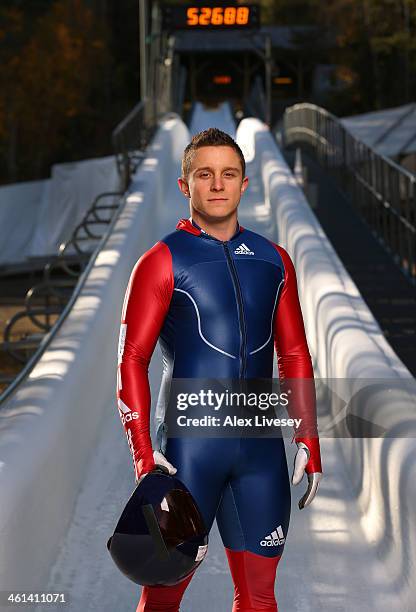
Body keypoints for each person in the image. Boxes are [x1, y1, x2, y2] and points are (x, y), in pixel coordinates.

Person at [116, 127, 323, 612]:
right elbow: (131, 359)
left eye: (228, 174)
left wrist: (308, 437)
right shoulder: (161, 261)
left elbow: (294, 354)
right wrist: (144, 454)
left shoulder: (275, 261)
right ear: (185, 186)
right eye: (204, 174)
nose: (217, 184)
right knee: (163, 594)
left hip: (260, 453)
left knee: (259, 595)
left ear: (244, 184)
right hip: (189, 454)